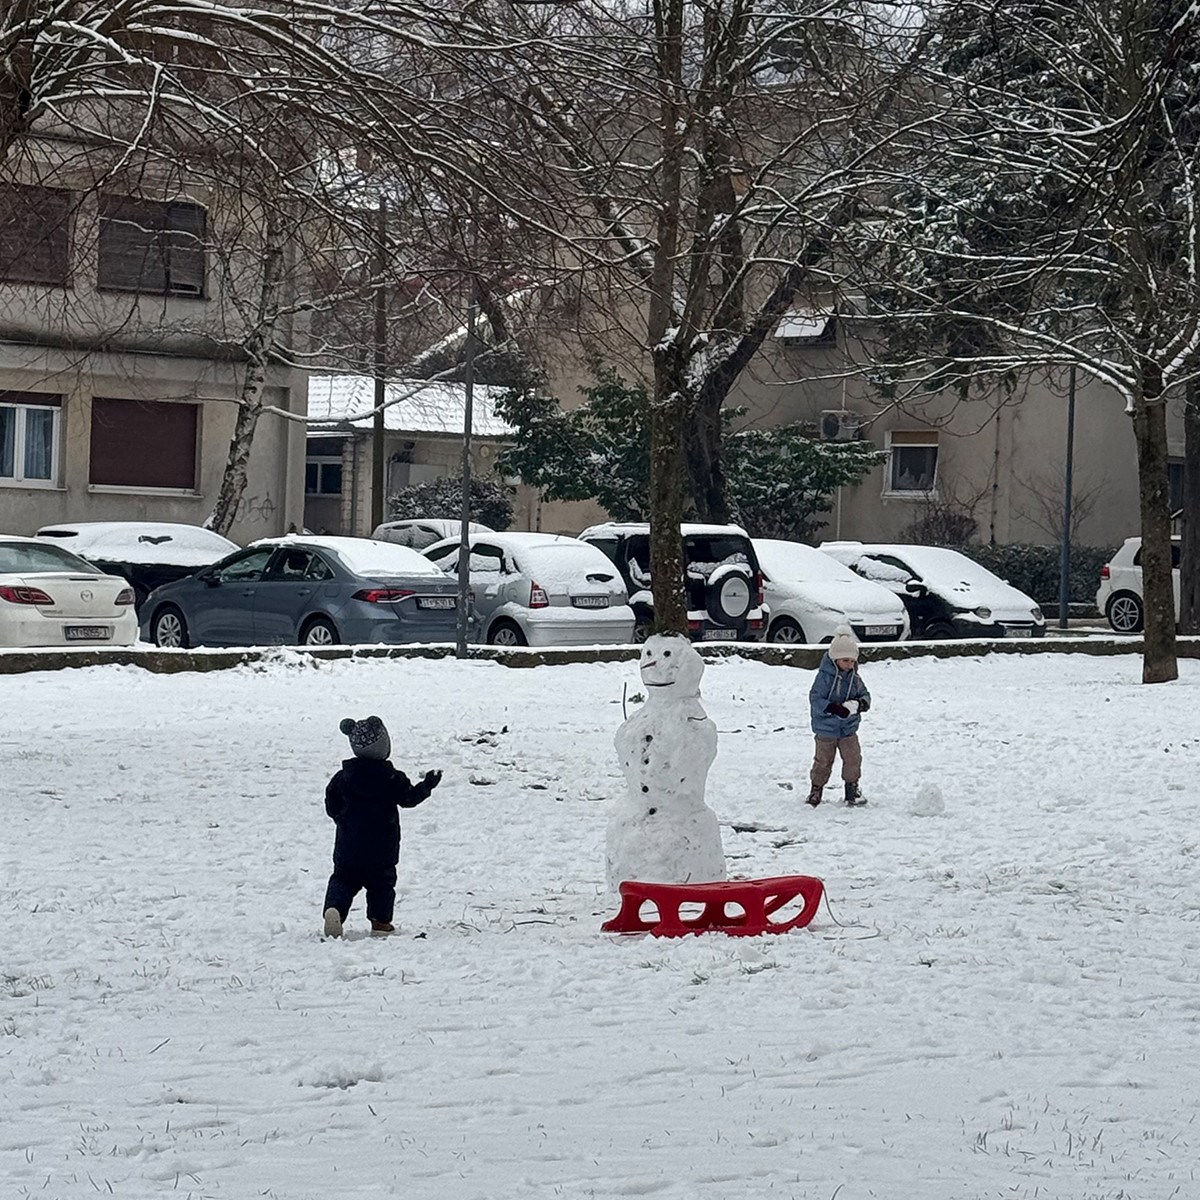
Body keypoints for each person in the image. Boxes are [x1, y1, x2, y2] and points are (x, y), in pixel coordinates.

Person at [322, 715, 442, 937]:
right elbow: (408, 798)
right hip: (382, 846)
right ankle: (380, 922)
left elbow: (331, 804)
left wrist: (341, 818)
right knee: (382, 883)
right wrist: (427, 785)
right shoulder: (391, 778)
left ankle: (334, 909)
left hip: (348, 845)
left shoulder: (343, 778)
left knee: (343, 879)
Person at [806, 626, 871, 807]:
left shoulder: (854, 678)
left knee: (853, 759)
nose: (849, 664)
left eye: (852, 661)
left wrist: (861, 704)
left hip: (848, 728)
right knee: (823, 761)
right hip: (826, 729)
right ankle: (816, 788)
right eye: (845, 660)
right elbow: (815, 698)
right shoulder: (824, 678)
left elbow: (865, 694)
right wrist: (832, 708)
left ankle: (852, 788)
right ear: (835, 659)